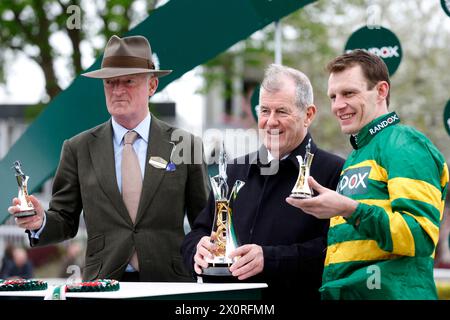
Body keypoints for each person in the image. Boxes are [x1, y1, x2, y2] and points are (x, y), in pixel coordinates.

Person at [8, 35, 209, 282]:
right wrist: (40, 221)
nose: (117, 90)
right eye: (110, 82)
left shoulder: (185, 145)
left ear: (152, 85)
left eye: (128, 81)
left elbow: (205, 221)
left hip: (169, 284)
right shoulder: (78, 148)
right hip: (101, 286)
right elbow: (65, 220)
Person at [286, 49, 449, 299]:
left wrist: (350, 209)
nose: (338, 105)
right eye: (333, 96)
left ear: (381, 91)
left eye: (349, 93)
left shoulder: (404, 143)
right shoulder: (357, 155)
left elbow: (420, 236)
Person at [181, 64, 345, 299]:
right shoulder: (234, 169)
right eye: (265, 111)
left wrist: (270, 259)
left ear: (308, 115)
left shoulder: (333, 172)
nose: (270, 121)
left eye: (282, 111)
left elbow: (337, 250)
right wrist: (197, 249)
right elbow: (198, 231)